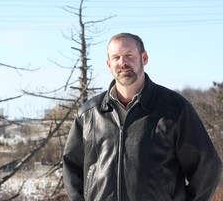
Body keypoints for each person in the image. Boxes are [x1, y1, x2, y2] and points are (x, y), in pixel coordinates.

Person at [62, 32, 222, 201]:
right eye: (116, 58)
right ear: (109, 64)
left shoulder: (174, 109)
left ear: (144, 58)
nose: (122, 62)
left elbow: (207, 167)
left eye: (129, 55)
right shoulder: (90, 114)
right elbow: (72, 167)